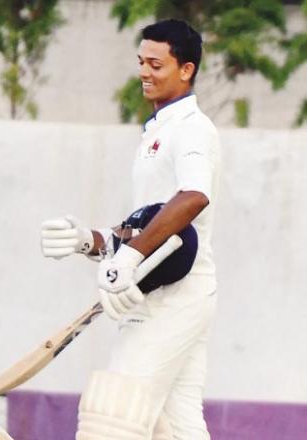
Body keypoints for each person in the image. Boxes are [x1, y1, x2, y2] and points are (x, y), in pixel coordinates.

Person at [41, 19, 220, 440]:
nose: (144, 71)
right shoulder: (158, 130)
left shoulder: (191, 127)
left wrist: (131, 255)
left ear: (186, 69)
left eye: (156, 64)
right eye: (141, 61)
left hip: (175, 296)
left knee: (113, 413)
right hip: (163, 292)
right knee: (177, 428)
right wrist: (94, 240)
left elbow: (194, 196)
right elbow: (147, 220)